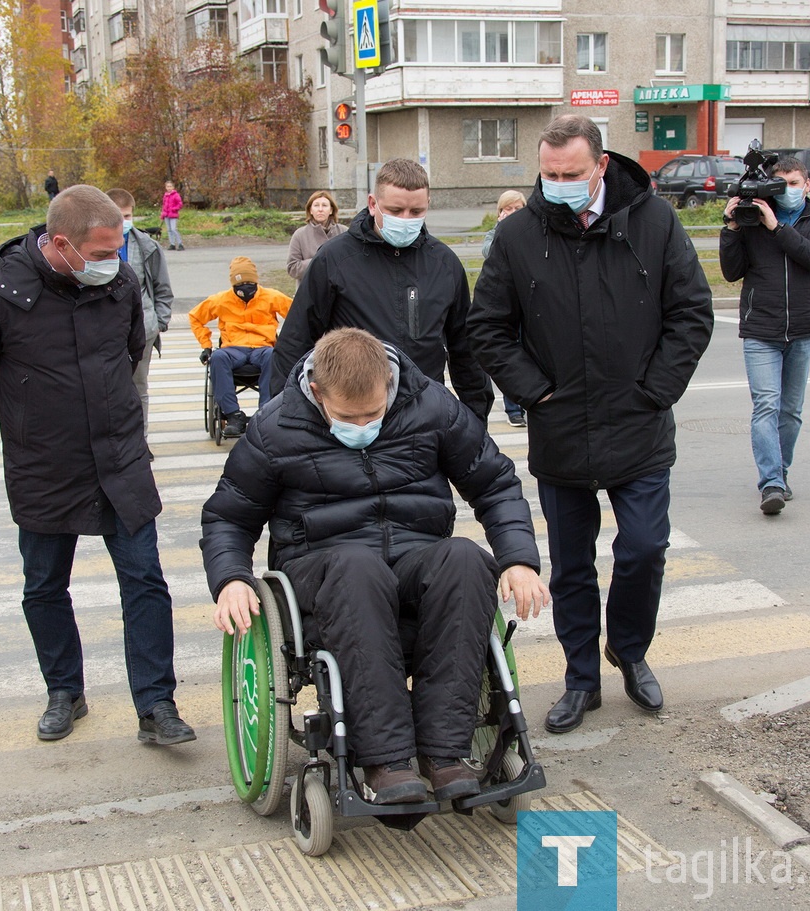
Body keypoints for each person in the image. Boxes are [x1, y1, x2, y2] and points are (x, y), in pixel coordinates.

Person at [202, 328, 549, 804]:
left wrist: (519, 560)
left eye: (375, 413)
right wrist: (230, 579)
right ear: (318, 393)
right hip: (322, 566)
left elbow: (494, 484)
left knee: (467, 559)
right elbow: (228, 515)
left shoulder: (433, 406)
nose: (364, 425)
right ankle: (385, 760)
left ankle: (444, 754)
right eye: (348, 417)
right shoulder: (275, 427)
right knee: (357, 566)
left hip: (413, 558)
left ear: (389, 383)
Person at [469, 115, 713, 734]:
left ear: (600, 166)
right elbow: (487, 328)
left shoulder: (653, 222)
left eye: (570, 174)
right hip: (561, 430)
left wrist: (656, 391)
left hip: (639, 426)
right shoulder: (520, 235)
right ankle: (582, 678)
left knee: (645, 548)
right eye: (548, 174)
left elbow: (691, 313)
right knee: (571, 566)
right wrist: (535, 391)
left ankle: (628, 651)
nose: (557, 184)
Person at [0, 185, 195, 747]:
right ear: (61, 245)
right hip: (44, 464)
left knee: (146, 581)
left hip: (121, 457)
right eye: (104, 253)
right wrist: (27, 416)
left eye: (119, 252)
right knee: (44, 585)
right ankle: (65, 692)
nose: (116, 263)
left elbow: (132, 351)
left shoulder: (121, 283)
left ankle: (156, 704)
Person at [270, 158, 493, 423]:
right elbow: (296, 340)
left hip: (423, 414)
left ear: (428, 205)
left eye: (416, 211)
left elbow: (465, 349)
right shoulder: (335, 259)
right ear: (373, 204)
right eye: (396, 210)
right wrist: (283, 418)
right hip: (355, 416)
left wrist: (476, 417)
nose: (406, 219)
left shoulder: (444, 264)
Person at [720, 155, 810, 516]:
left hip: (802, 329)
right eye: (780, 182)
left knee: (790, 412)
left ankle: (780, 473)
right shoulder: (752, 221)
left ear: (807, 185)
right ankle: (770, 483)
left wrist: (777, 228)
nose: (788, 189)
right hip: (760, 329)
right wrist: (731, 228)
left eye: (794, 182)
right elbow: (730, 272)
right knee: (767, 405)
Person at [106, 188, 175, 458]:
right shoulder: (93, 245)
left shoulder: (147, 246)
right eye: (117, 216)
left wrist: (159, 322)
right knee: (108, 390)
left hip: (142, 330)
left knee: (138, 387)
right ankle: (112, 443)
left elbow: (162, 288)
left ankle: (139, 443)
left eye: (127, 216)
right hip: (105, 331)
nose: (123, 221)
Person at [189, 256, 292, 437]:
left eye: (249, 282)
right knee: (218, 358)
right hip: (233, 349)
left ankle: (266, 412)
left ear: (256, 281)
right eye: (240, 283)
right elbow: (195, 317)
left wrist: (287, 344)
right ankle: (233, 414)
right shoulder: (221, 300)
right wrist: (206, 345)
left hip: (262, 347)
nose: (245, 287)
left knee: (273, 356)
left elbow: (296, 314)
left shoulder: (271, 297)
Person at [481, 190, 528, 428]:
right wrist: (503, 231)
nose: (512, 213)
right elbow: (491, 254)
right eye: (507, 209)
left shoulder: (533, 235)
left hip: (530, 308)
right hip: (507, 308)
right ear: (500, 213)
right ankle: (513, 409)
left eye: (518, 209)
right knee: (512, 355)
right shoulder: (494, 235)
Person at [286, 190, 348, 287]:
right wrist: (319, 262)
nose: (320, 209)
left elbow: (353, 263)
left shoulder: (344, 233)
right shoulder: (300, 235)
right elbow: (292, 268)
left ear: (331, 210)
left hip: (339, 293)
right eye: (316, 205)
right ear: (310, 210)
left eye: (324, 205)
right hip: (310, 293)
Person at [161, 180, 184, 251]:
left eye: (170, 186)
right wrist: (163, 214)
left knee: (174, 229)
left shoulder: (176, 195)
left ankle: (180, 244)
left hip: (173, 214)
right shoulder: (165, 195)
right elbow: (164, 205)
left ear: (173, 187)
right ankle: (172, 244)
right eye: (167, 186)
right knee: (169, 230)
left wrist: (174, 209)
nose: (169, 188)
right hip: (166, 215)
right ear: (165, 187)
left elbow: (180, 204)